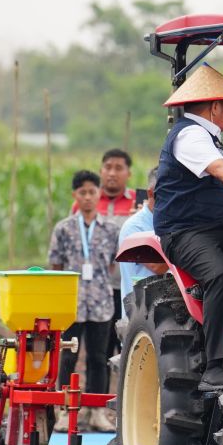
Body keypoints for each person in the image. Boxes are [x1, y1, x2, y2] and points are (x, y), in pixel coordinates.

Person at [153, 64, 223, 389]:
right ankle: (214, 365)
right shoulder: (189, 135)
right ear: (216, 107)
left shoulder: (211, 138)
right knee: (219, 274)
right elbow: (222, 172)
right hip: (186, 232)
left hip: (222, 226)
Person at [49, 170, 120, 432]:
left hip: (101, 303)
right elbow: (56, 263)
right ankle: (66, 410)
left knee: (99, 357)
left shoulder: (111, 229)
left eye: (92, 192)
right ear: (75, 195)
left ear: (99, 194)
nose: (88, 197)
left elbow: (112, 264)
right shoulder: (64, 228)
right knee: (68, 356)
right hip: (72, 304)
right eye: (83, 192)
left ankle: (96, 410)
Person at [71, 149, 136, 361]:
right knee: (100, 354)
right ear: (101, 171)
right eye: (108, 167)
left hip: (126, 287)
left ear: (128, 173)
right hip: (96, 290)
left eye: (118, 168)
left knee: (128, 349)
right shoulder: (85, 200)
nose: (112, 173)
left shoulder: (138, 203)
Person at [118, 167, 169, 315]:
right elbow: (158, 267)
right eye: (168, 192)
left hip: (165, 310)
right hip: (140, 314)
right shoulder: (135, 227)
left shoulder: (169, 222)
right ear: (151, 193)